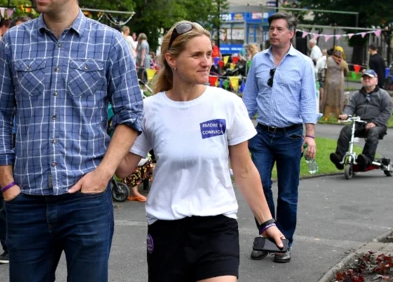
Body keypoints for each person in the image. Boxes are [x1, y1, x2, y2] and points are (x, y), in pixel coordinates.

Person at [0, 0, 144, 282]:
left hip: (85, 202)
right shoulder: (14, 42)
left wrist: (102, 176)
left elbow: (130, 115)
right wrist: (7, 182)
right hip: (26, 199)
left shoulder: (110, 43)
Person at [116, 21, 285, 281]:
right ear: (171, 59)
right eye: (196, 55)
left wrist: (266, 222)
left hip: (217, 226)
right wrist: (114, 126)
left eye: (209, 54)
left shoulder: (227, 104)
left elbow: (244, 169)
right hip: (166, 229)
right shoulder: (149, 109)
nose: (207, 62)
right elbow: (124, 168)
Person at [242, 12, 319, 263]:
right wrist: (238, 131)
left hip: (291, 135)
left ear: (290, 33)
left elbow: (308, 100)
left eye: (278, 29)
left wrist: (310, 135)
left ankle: (284, 241)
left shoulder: (303, 63)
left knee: (287, 193)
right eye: (271, 28)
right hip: (262, 135)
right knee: (260, 185)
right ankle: (266, 235)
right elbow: (249, 99)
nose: (273, 33)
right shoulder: (258, 61)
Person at [0, 15, 31, 265]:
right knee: (4, 196)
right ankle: (9, 247)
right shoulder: (5, 57)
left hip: (28, 143)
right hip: (5, 143)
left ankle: (29, 246)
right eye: (16, 32)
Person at [330, 69, 393, 169]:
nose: (367, 80)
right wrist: (346, 115)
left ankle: (366, 159)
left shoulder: (383, 95)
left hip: (378, 125)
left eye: (369, 78)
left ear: (376, 80)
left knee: (373, 132)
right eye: (365, 78)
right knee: (346, 130)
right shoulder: (356, 95)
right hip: (360, 123)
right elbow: (350, 107)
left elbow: (387, 112)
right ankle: (339, 157)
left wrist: (375, 122)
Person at [321, 49, 349, 119]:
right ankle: (338, 116)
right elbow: (347, 72)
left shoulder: (329, 60)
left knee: (328, 99)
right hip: (339, 83)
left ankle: (326, 116)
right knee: (338, 100)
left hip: (329, 83)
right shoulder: (343, 63)